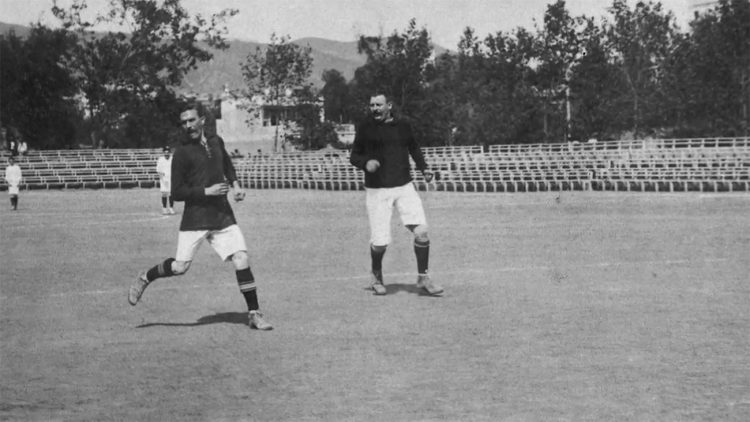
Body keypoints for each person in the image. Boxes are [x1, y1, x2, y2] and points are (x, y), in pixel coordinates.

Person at [128, 102, 273, 330]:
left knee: (241, 258)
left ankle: (254, 313)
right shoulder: (182, 154)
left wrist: (236, 185)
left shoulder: (216, 142)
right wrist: (206, 191)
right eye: (184, 122)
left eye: (191, 120)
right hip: (195, 218)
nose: (188, 125)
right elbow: (176, 193)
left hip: (222, 215)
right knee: (179, 267)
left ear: (202, 120)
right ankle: (146, 277)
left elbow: (227, 164)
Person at [349, 92, 443, 296]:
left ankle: (423, 277)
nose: (374, 108)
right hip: (378, 189)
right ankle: (376, 275)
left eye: (379, 105)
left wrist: (424, 168)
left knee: (422, 231)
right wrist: (366, 163)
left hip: (404, 185)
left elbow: (414, 148)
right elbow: (354, 156)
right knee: (380, 242)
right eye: (372, 105)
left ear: (388, 105)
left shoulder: (403, 125)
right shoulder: (365, 127)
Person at [156, 146, 175, 215]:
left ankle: (171, 208)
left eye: (168, 152)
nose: (166, 154)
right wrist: (162, 179)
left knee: (171, 194)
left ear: (170, 152)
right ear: (163, 152)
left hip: (171, 178)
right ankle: (164, 208)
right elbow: (159, 170)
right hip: (163, 178)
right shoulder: (161, 160)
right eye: (165, 152)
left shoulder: (173, 159)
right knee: (164, 193)